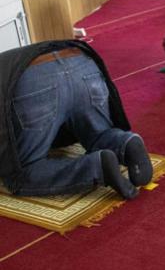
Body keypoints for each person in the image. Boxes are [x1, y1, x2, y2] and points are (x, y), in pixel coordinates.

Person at [0, 41, 152, 199]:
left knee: (22, 172)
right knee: (99, 133)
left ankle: (97, 166)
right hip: (82, 62)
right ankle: (126, 144)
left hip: (34, 81)